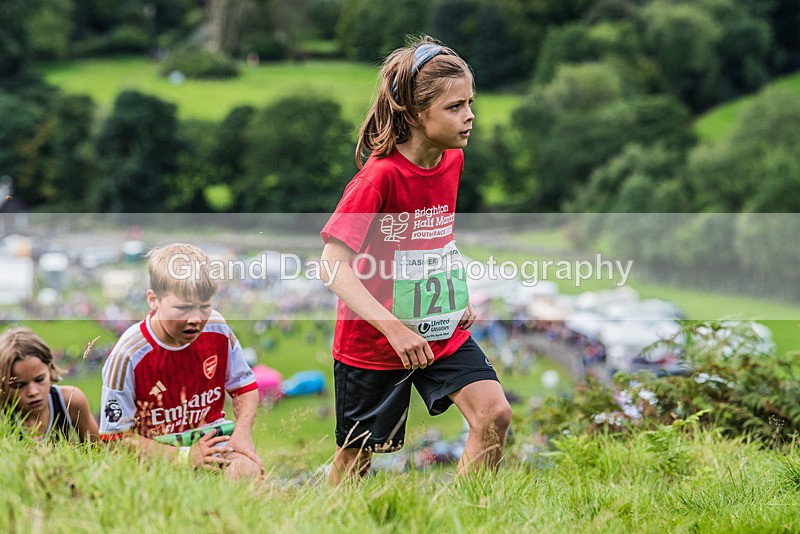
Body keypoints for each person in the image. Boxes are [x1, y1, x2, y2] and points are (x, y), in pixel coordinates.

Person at [320, 36, 512, 484]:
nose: (469, 116)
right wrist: (393, 328)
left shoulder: (452, 162)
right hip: (373, 340)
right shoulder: (378, 177)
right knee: (356, 460)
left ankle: (461, 517)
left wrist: (454, 297)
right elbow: (331, 265)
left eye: (470, 103)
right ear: (415, 113)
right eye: (454, 107)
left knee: (494, 414)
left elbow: (433, 238)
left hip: (437, 329)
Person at [98, 243, 263, 479]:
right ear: (153, 300)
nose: (196, 319)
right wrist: (184, 457)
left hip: (212, 443)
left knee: (248, 472)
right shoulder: (127, 355)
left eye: (204, 306)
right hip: (153, 458)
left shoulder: (217, 327)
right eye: (183, 308)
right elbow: (114, 437)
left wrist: (242, 433)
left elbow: (244, 388)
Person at [0, 326, 99, 442]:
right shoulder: (2, 413)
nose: (33, 392)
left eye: (39, 379)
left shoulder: (71, 401)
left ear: (50, 368)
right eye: (18, 386)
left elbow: (96, 451)